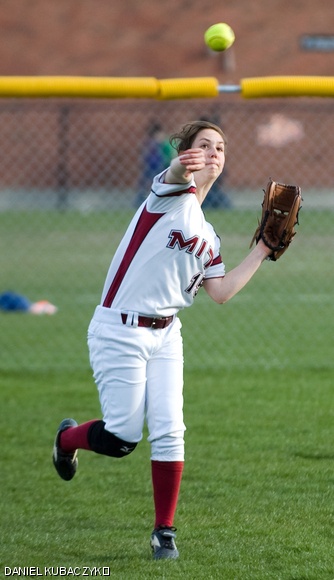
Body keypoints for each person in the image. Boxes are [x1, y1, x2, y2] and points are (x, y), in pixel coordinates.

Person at [52, 120, 272, 560]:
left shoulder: (208, 234)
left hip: (167, 334)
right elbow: (173, 176)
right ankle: (66, 440)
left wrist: (264, 247)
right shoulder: (171, 197)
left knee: (172, 432)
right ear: (186, 153)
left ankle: (164, 532)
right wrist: (179, 166)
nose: (213, 152)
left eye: (221, 147)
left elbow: (222, 292)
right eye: (203, 145)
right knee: (121, 439)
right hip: (120, 330)